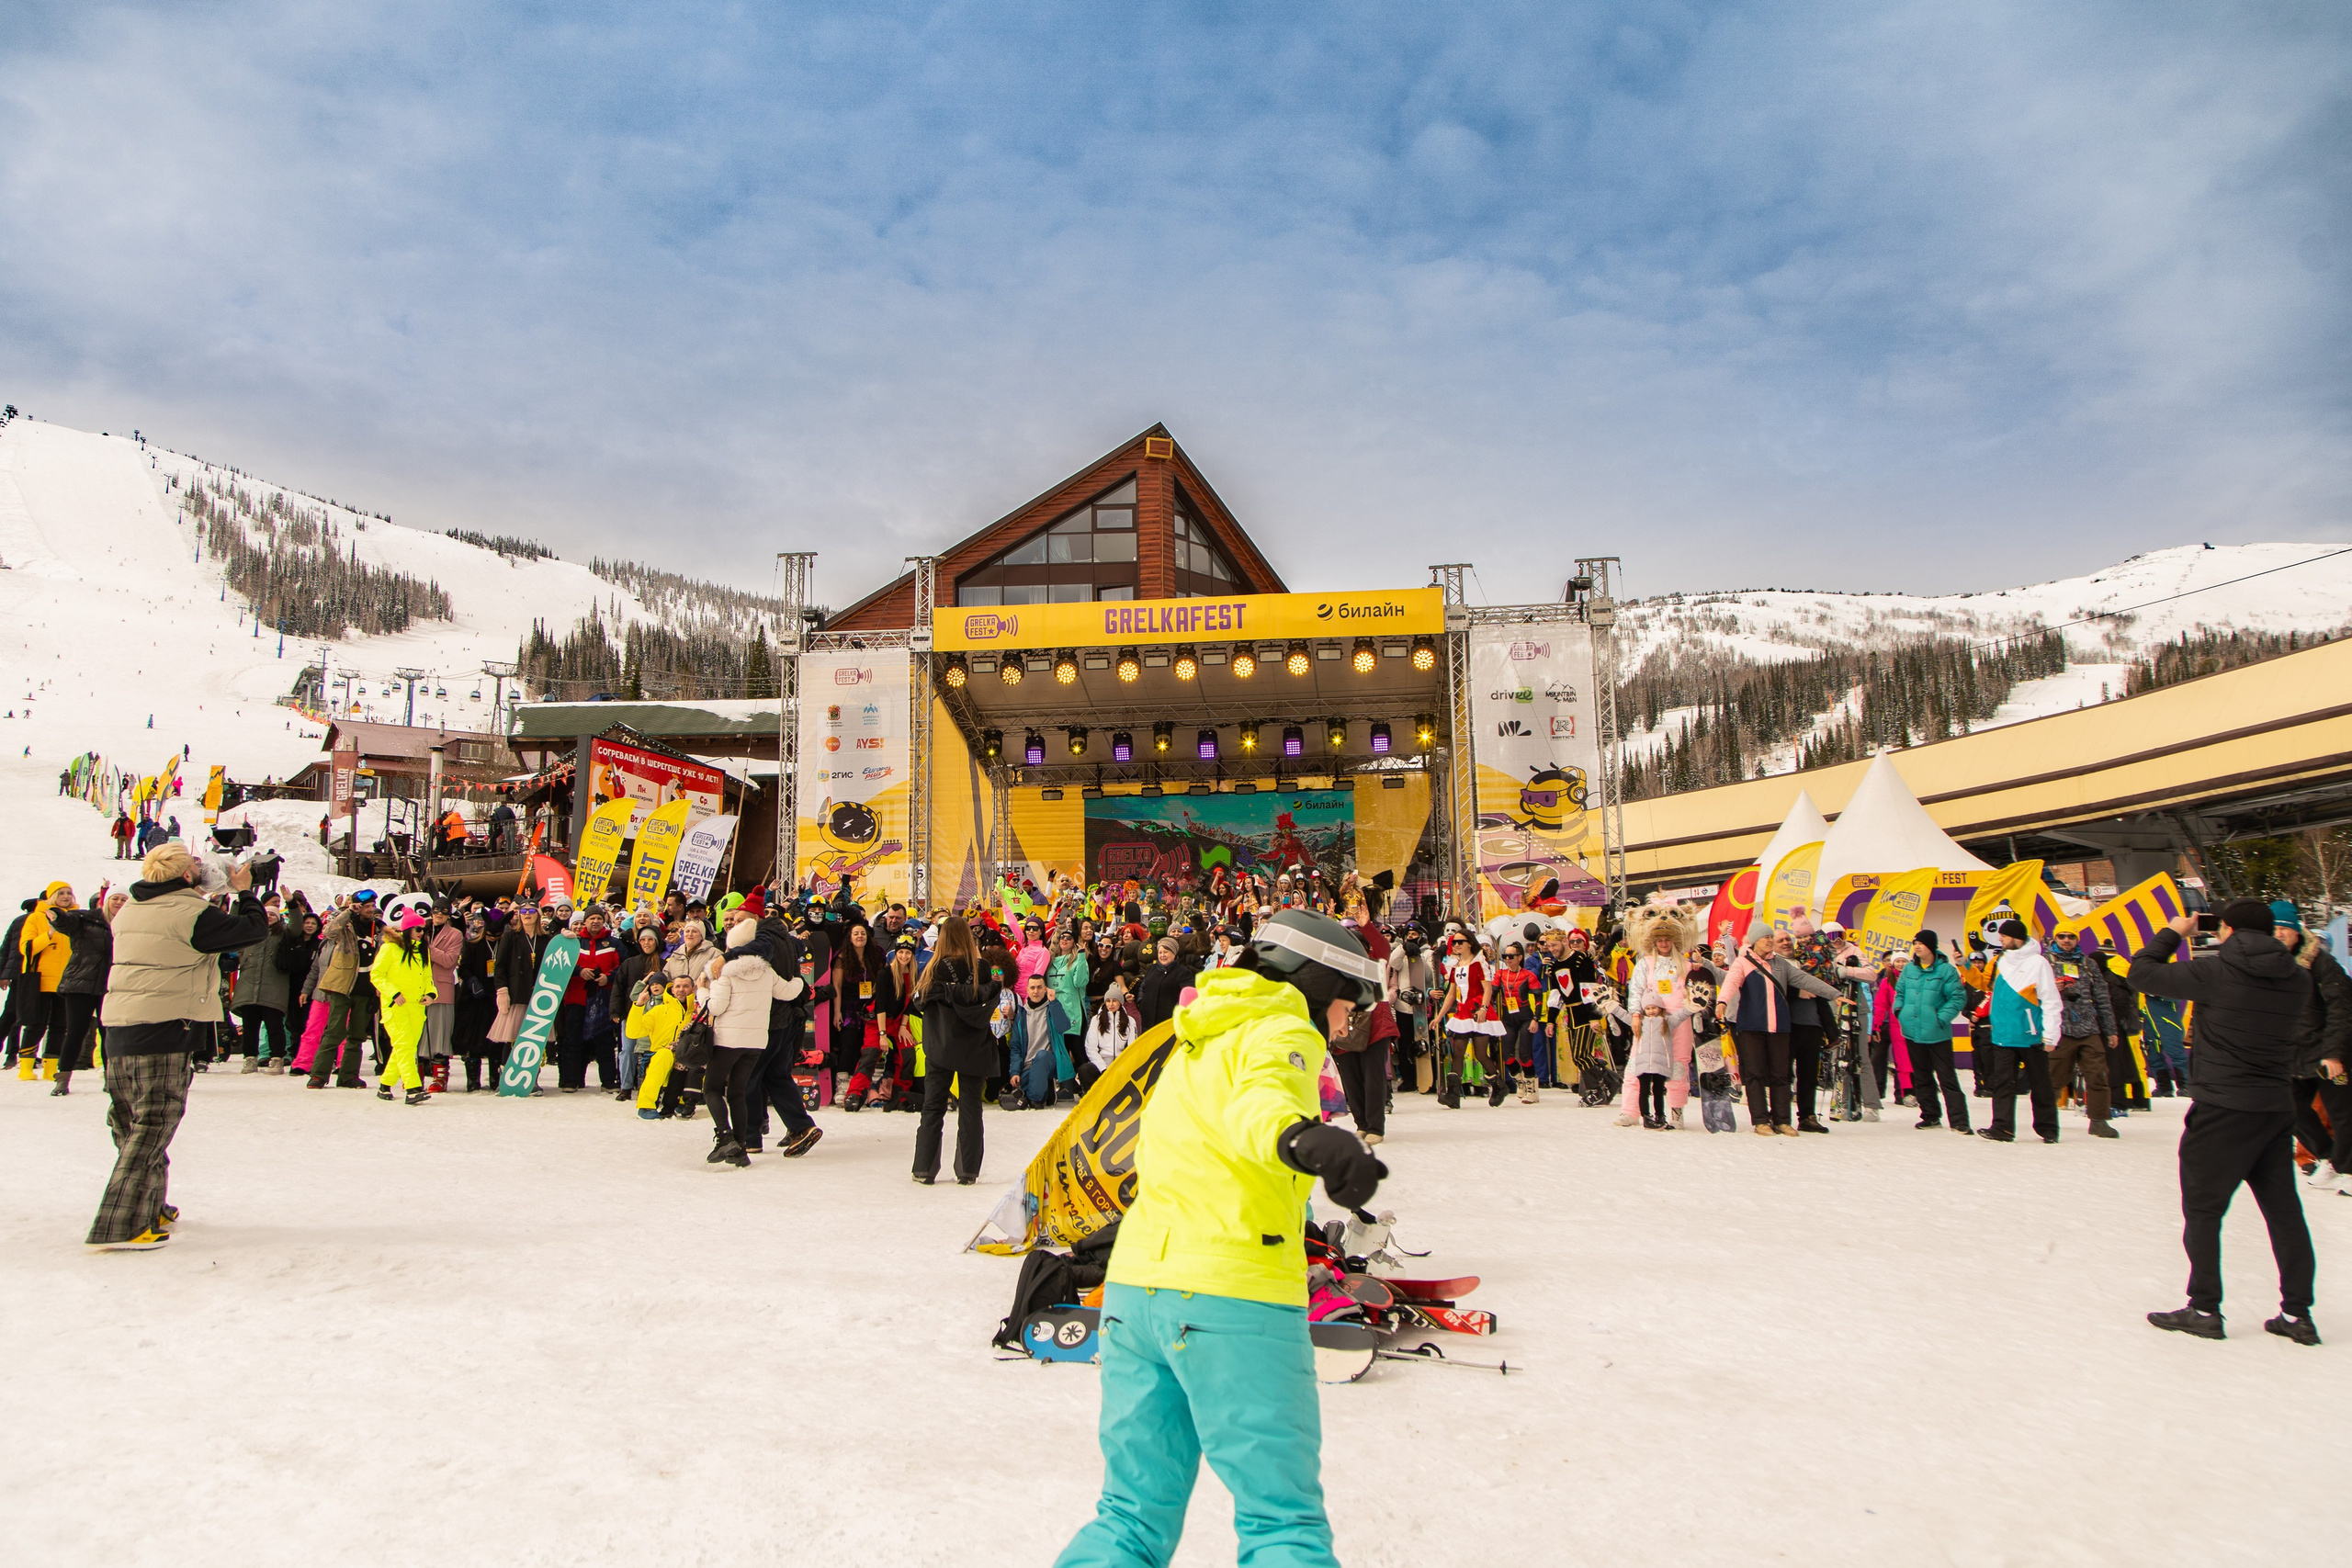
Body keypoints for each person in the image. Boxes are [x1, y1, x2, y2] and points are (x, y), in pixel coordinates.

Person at [1052, 909, 1385, 1568]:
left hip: (1136, 1292)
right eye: (1352, 1000)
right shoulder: (1283, 1027)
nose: (1352, 1020)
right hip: (1232, 1299)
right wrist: (1302, 1137)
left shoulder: (1196, 1035)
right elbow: (1259, 1105)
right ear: (1315, 982)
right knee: (1281, 1526)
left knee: (1128, 1520)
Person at [2132, 901, 2320, 1345]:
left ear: (2229, 929)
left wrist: (2174, 931)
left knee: (2203, 1210)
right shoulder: (2297, 979)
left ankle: (2204, 1308)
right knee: (2284, 1212)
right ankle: (2298, 1315)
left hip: (2222, 1107)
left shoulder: (2214, 972)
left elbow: (2141, 972)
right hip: (2274, 1106)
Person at [85, 844, 268, 1250]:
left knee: (131, 1122)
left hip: (118, 1023)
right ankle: (124, 1223)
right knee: (153, 1125)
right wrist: (244, 891)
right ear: (186, 876)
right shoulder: (192, 915)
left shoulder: (132, 907)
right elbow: (253, 930)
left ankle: (150, 1201)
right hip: (165, 1026)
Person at [912, 915, 1000, 1185]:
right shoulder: (983, 969)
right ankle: (968, 1170)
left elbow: (919, 1004)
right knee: (972, 1108)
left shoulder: (933, 968)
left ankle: (924, 1169)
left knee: (933, 1107)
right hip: (974, 1045)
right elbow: (994, 991)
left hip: (940, 1045)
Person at [2272, 901, 2352, 1191]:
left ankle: (2349, 1169)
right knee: (2289, 1108)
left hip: (2328, 1051)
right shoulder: (2271, 964)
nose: (2279, 934)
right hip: (2293, 1053)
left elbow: (2341, 1010)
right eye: (2275, 929)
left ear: (2297, 931)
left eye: (2284, 929)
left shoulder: (2322, 963)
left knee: (2342, 1112)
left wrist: (2334, 1053)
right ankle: (2330, 1157)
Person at [1977, 919, 2063, 1144]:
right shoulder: (2002, 961)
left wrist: (2051, 1034)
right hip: (2003, 1036)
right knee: (2002, 1083)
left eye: (2004, 936)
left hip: (2031, 1036)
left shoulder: (2038, 963)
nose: (2001, 940)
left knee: (2040, 1084)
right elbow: (1992, 991)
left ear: (2017, 938)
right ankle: (2002, 1128)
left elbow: (2051, 1000)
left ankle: (2048, 1129)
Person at [1893, 931, 1972, 1134]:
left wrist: (1941, 1018)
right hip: (1912, 1030)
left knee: (1947, 1077)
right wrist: (1900, 1012)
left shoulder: (1946, 971)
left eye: (1921, 943)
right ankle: (1930, 1115)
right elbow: (1899, 993)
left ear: (1932, 946)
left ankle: (1959, 1120)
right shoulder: (1909, 969)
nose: (1917, 947)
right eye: (1915, 943)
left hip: (1937, 1032)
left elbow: (1958, 998)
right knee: (1921, 1075)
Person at [2047, 926, 2120, 1139]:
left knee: (2098, 1075)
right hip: (2060, 1028)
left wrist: (2110, 1029)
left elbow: (2102, 998)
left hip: (2089, 1027)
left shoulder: (2089, 964)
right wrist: (2052, 988)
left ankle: (2099, 1120)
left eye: (2071, 936)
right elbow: (2033, 993)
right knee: (2054, 1077)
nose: (2067, 940)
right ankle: (2047, 1120)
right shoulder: (2046, 962)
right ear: (2055, 938)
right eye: (2062, 936)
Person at [308, 893, 380, 1089]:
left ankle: (348, 1075)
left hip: (366, 987)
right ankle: (318, 1075)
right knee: (334, 1031)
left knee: (357, 1034)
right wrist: (348, 912)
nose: (369, 909)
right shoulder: (346, 925)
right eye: (365, 905)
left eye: (372, 905)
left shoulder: (379, 927)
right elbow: (329, 932)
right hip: (343, 984)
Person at [47, 889, 116, 1095]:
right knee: (76, 1032)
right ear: (106, 901)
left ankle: (112, 1079)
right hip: (80, 983)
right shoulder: (85, 919)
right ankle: (62, 1079)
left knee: (109, 1033)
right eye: (116, 899)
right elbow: (65, 923)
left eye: (124, 900)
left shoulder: (128, 925)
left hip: (110, 986)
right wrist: (57, 916)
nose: (119, 903)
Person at [369, 904, 438, 1105]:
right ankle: (413, 1088)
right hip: (396, 1006)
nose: (421, 933)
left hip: (417, 1006)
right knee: (405, 1046)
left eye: (423, 930)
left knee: (404, 1047)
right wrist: (393, 993)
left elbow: (427, 976)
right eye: (418, 929)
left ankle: (385, 1085)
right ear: (408, 930)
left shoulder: (421, 951)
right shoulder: (389, 948)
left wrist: (432, 993)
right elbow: (376, 975)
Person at [229, 894, 292, 1074]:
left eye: (273, 914)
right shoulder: (250, 934)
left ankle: (277, 1058)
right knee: (250, 1026)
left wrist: (292, 903)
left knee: (274, 1025)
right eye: (266, 914)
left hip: (273, 988)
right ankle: (249, 1059)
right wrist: (238, 903)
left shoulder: (283, 934)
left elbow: (295, 926)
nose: (269, 917)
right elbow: (235, 924)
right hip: (249, 987)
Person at [422, 902, 464, 1093]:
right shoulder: (421, 928)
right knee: (418, 1033)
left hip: (441, 987)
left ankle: (440, 1076)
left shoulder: (455, 934)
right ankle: (416, 1073)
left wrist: (428, 949)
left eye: (444, 912)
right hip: (418, 987)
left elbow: (449, 960)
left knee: (439, 1033)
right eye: (436, 911)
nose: (439, 914)